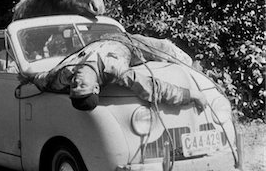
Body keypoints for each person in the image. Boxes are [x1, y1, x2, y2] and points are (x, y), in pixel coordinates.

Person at [22, 35, 207, 112]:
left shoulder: (64, 74)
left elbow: (43, 80)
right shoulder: (115, 70)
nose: (77, 82)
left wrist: (27, 77)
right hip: (131, 44)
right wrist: (190, 95)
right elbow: (152, 89)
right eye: (82, 86)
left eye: (74, 87)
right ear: (96, 88)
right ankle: (197, 73)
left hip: (100, 38)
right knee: (168, 49)